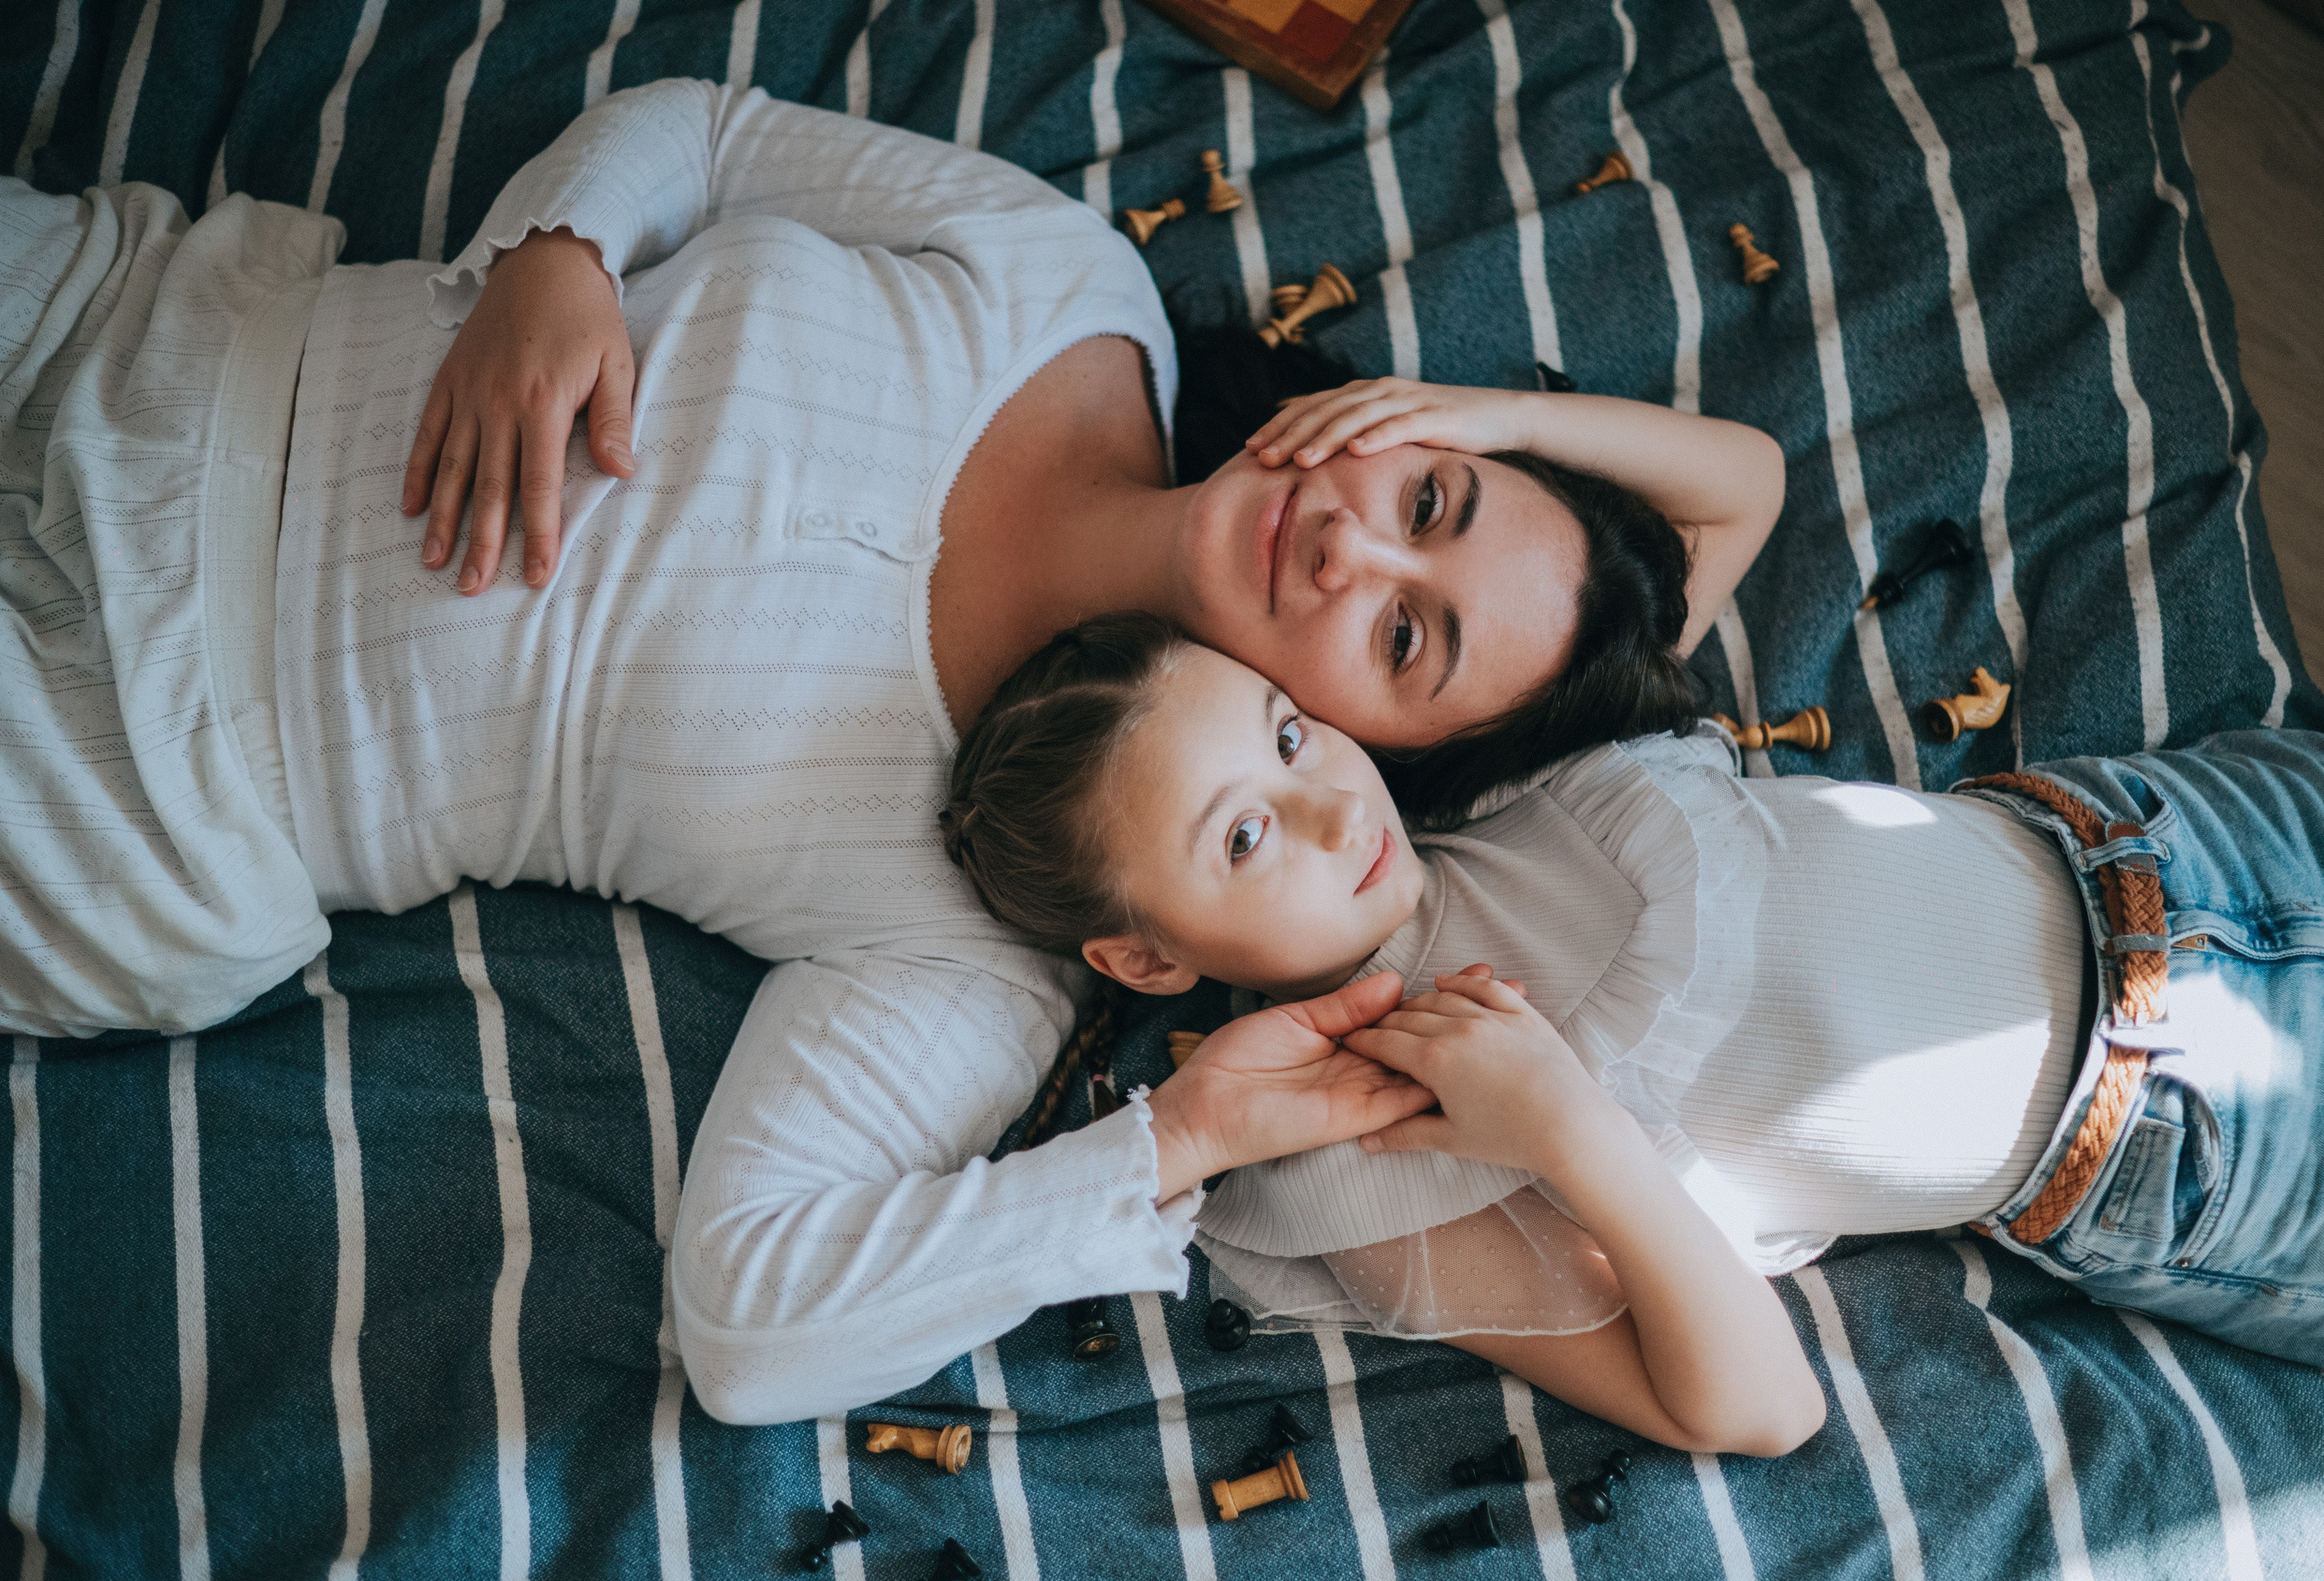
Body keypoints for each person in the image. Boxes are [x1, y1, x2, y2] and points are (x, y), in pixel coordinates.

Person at [0, 78, 1784, 1422]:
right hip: (161, 323)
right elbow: (701, 132)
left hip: (146, 781)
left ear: (1390, 762)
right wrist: (555, 253)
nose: (1350, 542)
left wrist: (1161, 1147)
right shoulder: (1065, 286)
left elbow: (752, 1326)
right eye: (1426, 495)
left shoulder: (987, 911)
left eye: (1405, 637)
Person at [941, 613, 2324, 1450]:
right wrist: (1574, 1133)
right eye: (1248, 833)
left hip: (2182, 828)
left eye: (1283, 729)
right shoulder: (1351, 1176)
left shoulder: (1465, 762)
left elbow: (1724, 489)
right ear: (1140, 954)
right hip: (2207, 1131)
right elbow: (1757, 1409)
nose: (1330, 798)